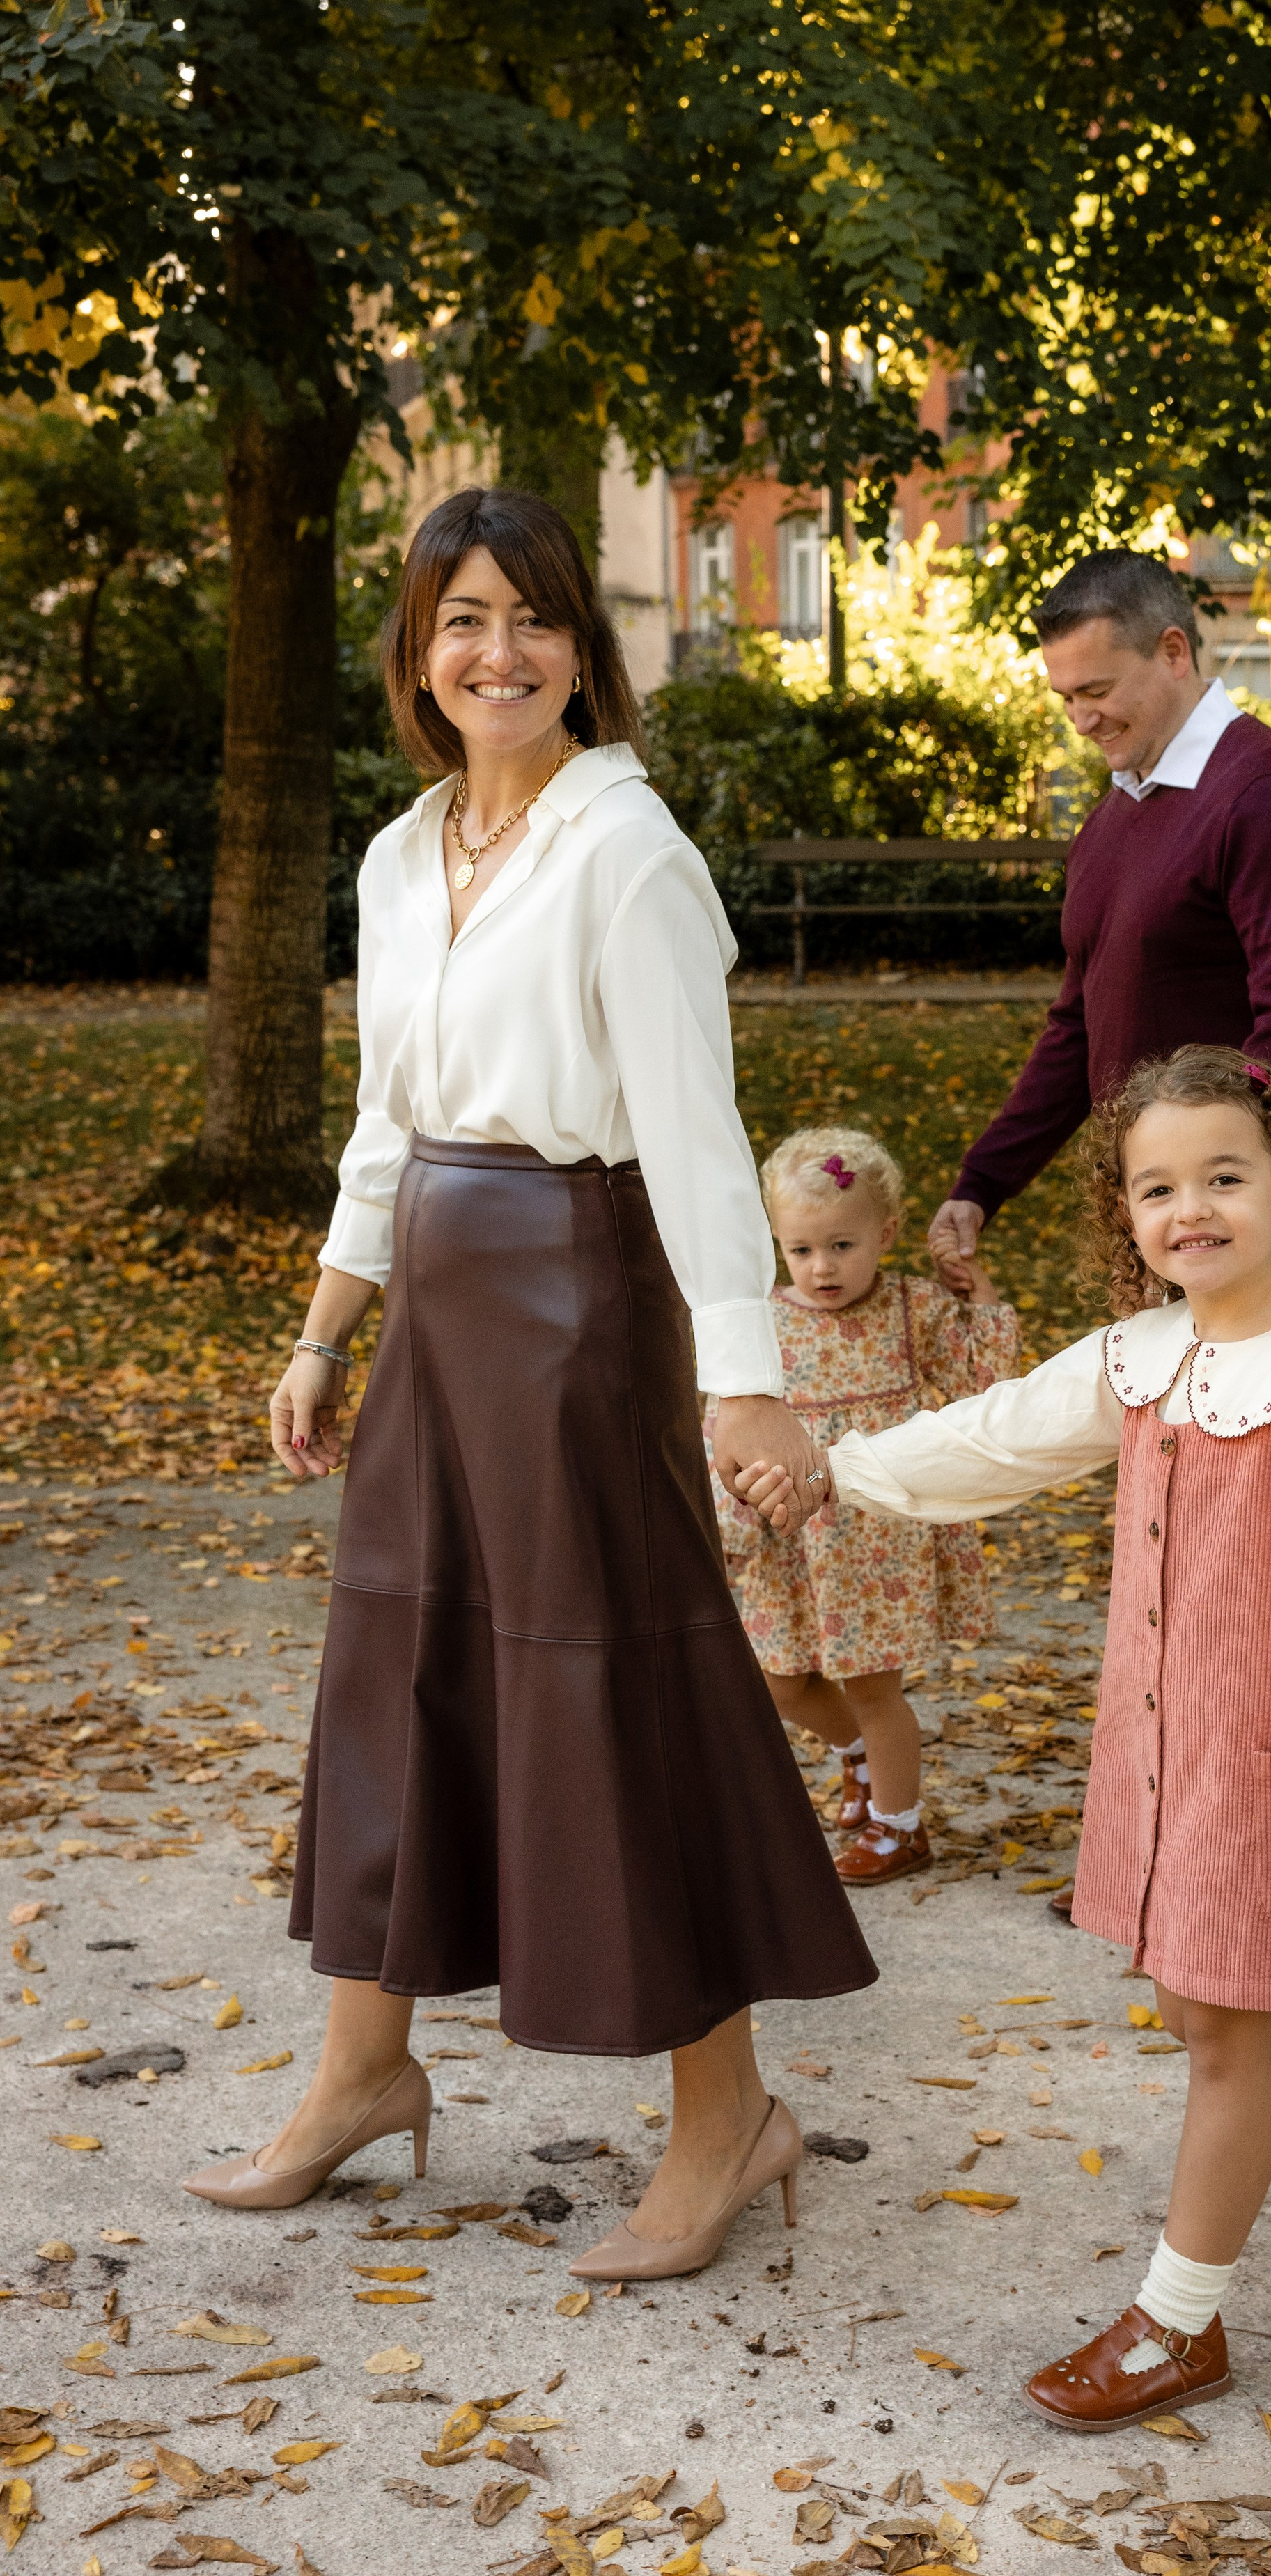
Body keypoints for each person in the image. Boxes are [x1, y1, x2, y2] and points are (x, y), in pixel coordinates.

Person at [180, 485, 875, 2285]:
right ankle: (363, 2072)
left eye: (534, 620)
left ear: (585, 650)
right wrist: (329, 1326)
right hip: (435, 1303)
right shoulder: (402, 855)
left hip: (580, 1305)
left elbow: (698, 1140)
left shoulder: (626, 853)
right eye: (461, 620)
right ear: (415, 654)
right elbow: (387, 1124)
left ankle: (729, 2121)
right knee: (395, 1674)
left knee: (607, 1699)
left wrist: (742, 1383)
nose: (498, 653)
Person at [744, 1046, 1271, 2428]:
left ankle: (1175, 2326)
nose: (1187, 1208)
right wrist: (830, 1467)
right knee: (1221, 2004)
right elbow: (989, 1440)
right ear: (1124, 1216)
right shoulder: (1141, 1356)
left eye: (1221, 1177)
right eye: (1155, 1188)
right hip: (1165, 1757)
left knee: (1219, 2030)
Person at [928, 545, 1271, 1922]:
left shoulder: (1265, 800)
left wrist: (1253, 1234)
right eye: (1062, 699)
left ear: (1176, 652)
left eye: (1099, 689)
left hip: (1242, 1243)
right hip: (1160, 1229)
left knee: (1244, 1571)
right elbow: (1080, 1026)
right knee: (1167, 1555)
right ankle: (1162, 1847)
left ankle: (1267, 1845)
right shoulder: (1122, 812)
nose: (1083, 717)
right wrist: (979, 1182)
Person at [713, 1127, 1020, 1884]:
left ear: (885, 1235)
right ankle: (854, 1756)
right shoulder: (760, 1323)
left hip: (874, 1540)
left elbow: (985, 1386)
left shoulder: (910, 1310)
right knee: (777, 1679)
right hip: (788, 1534)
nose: (823, 1268)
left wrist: (975, 1293)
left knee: (873, 1686)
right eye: (802, 1250)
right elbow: (722, 1423)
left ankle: (898, 1825)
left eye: (843, 1246)